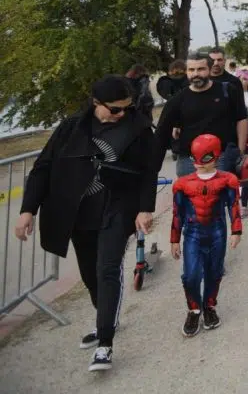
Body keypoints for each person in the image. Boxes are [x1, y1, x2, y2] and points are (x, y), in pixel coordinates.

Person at [14, 75, 160, 372]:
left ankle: (105, 344)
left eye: (127, 108)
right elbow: (43, 168)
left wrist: (145, 208)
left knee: (107, 269)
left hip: (117, 208)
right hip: (78, 214)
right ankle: (104, 318)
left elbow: (149, 172)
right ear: (96, 103)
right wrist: (27, 209)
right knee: (90, 274)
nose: (122, 114)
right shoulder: (71, 128)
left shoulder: (139, 128)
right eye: (116, 109)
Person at [170, 134, 242, 338]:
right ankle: (194, 309)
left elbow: (234, 206)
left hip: (217, 232)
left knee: (214, 272)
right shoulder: (183, 184)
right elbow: (178, 213)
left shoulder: (227, 180)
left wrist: (237, 230)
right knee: (191, 275)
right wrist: (174, 239)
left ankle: (209, 306)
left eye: (205, 158)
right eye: (196, 158)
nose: (199, 164)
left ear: (216, 157)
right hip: (192, 234)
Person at [155, 53, 248, 178]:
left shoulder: (228, 90)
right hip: (189, 162)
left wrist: (240, 152)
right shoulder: (177, 100)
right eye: (191, 70)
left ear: (210, 70)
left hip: (222, 158)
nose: (195, 74)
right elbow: (161, 134)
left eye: (201, 69)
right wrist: (152, 168)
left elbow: (241, 119)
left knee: (223, 197)